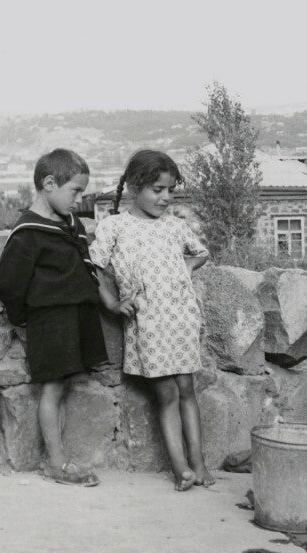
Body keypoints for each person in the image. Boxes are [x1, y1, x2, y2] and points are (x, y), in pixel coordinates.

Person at [89, 149, 214, 491]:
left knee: (187, 388)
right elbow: (94, 268)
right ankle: (180, 468)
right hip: (148, 324)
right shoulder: (115, 226)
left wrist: (188, 265)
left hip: (181, 318)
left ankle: (199, 463)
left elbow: (201, 252)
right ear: (134, 187)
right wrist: (112, 303)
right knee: (167, 393)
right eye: (157, 190)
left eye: (170, 190)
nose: (165, 197)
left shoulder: (175, 226)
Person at [0, 148, 105, 487]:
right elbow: (9, 284)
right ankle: (56, 463)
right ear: (48, 184)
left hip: (74, 318)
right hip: (50, 321)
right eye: (75, 191)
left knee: (63, 386)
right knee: (53, 388)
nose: (79, 199)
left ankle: (58, 458)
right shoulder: (28, 233)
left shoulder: (72, 224)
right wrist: (24, 319)